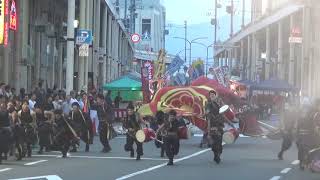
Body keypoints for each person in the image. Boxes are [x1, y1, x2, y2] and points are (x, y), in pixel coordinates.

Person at [205, 90, 225, 164]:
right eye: (211, 95)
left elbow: (223, 114)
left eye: (213, 94)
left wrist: (231, 123)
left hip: (219, 125)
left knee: (219, 142)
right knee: (213, 144)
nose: (212, 96)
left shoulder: (219, 104)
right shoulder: (208, 104)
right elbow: (208, 116)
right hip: (212, 125)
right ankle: (216, 155)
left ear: (215, 96)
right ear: (209, 96)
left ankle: (218, 155)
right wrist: (209, 132)